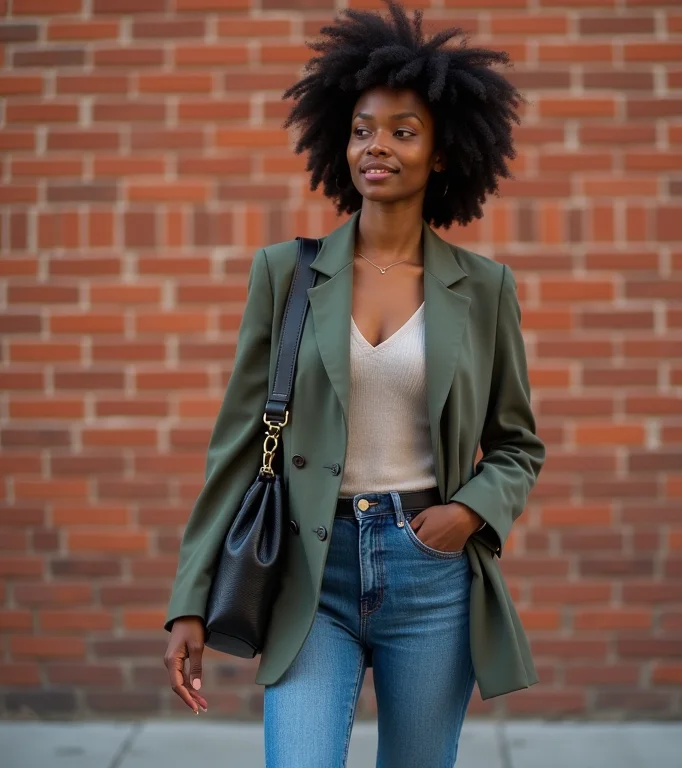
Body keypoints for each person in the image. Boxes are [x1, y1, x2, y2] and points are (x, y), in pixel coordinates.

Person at [163, 1, 546, 765]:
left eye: (404, 131)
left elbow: (516, 444)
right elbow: (238, 446)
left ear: (442, 153)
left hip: (431, 573)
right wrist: (189, 601)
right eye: (363, 129)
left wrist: (470, 512)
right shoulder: (287, 275)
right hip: (311, 568)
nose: (378, 146)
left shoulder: (484, 289)